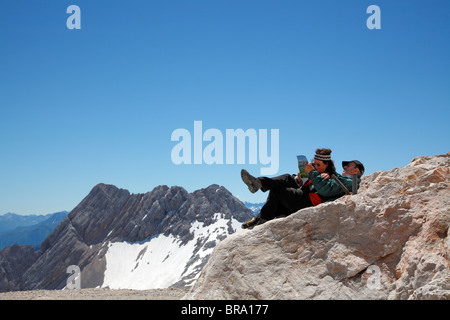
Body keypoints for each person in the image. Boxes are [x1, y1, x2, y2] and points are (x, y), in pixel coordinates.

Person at [241, 149, 364, 228]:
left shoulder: (349, 180)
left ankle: (263, 218)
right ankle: (258, 183)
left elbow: (324, 190)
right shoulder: (334, 176)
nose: (345, 166)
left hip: (309, 201)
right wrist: (299, 179)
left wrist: (315, 175)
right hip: (305, 194)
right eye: (314, 164)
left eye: (318, 165)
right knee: (288, 177)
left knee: (277, 190)